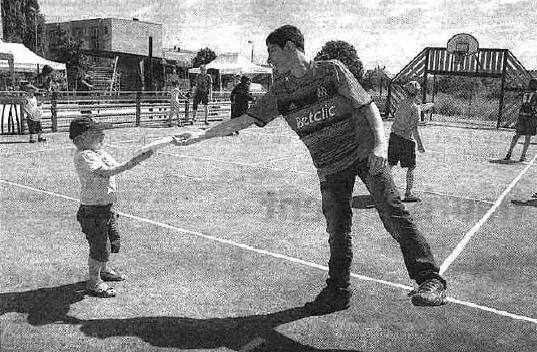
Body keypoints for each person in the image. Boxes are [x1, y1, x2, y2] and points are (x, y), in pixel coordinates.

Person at [173, 25, 447, 312]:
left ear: (290, 47)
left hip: (365, 154)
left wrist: (379, 146)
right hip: (330, 167)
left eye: (272, 52)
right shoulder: (281, 91)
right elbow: (243, 120)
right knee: (338, 230)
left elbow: (369, 107)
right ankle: (338, 291)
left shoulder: (332, 70)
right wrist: (201, 135)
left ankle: (430, 279)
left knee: (393, 213)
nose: (270, 60)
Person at [70, 116, 154, 297]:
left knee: (111, 240)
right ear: (82, 138)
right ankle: (94, 281)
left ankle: (104, 269)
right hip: (93, 210)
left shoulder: (99, 152)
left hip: (107, 207)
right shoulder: (85, 155)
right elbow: (106, 172)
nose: (102, 135)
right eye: (97, 132)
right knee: (99, 245)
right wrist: (134, 162)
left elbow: (117, 165)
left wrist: (138, 158)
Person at [388, 81, 430, 203]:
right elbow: (414, 129)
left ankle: (383, 190)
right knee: (411, 167)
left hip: (394, 137)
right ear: (417, 93)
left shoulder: (400, 103)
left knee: (390, 165)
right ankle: (408, 193)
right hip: (406, 141)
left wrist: (417, 109)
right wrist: (420, 145)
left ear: (405, 91)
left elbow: (404, 113)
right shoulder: (415, 108)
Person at [504, 78, 537, 162]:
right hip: (531, 116)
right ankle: (523, 156)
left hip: (522, 116)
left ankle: (509, 153)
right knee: (527, 137)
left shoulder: (525, 93)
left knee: (517, 135)